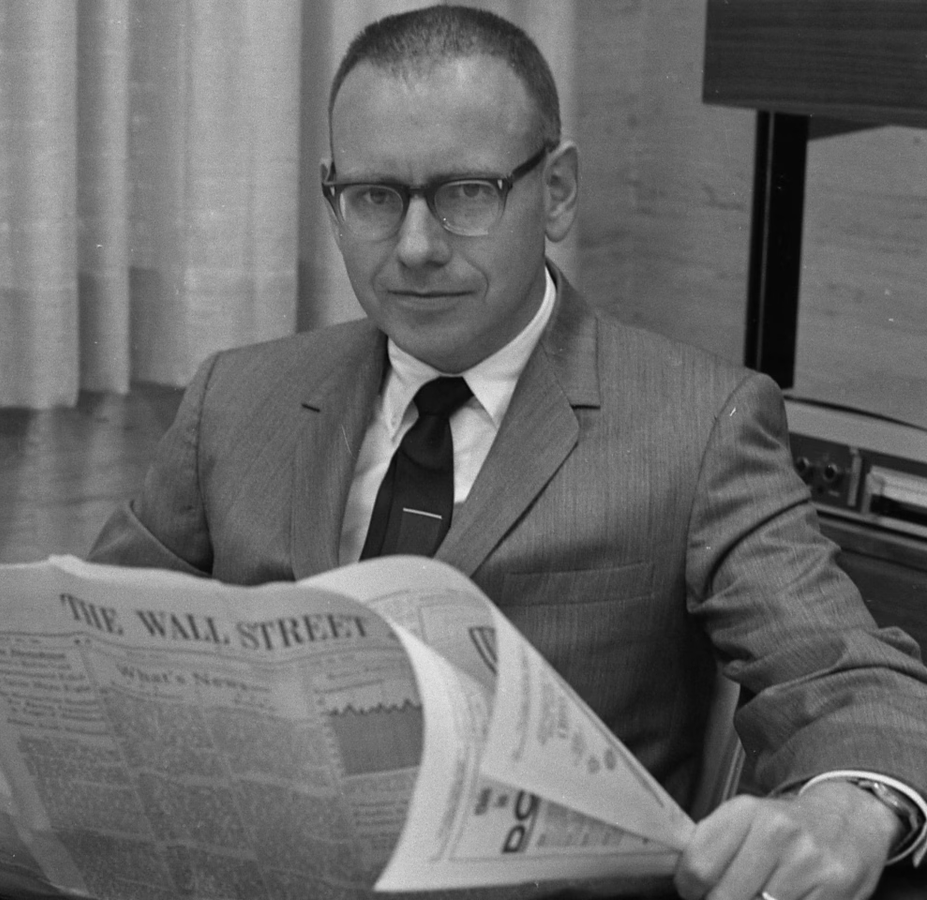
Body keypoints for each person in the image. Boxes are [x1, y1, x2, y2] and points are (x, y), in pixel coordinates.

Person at [90, 5, 927, 898]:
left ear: (556, 191)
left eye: (465, 194)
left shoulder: (697, 424)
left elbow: (854, 679)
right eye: (374, 197)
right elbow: (90, 643)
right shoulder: (236, 397)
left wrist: (849, 808)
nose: (415, 248)